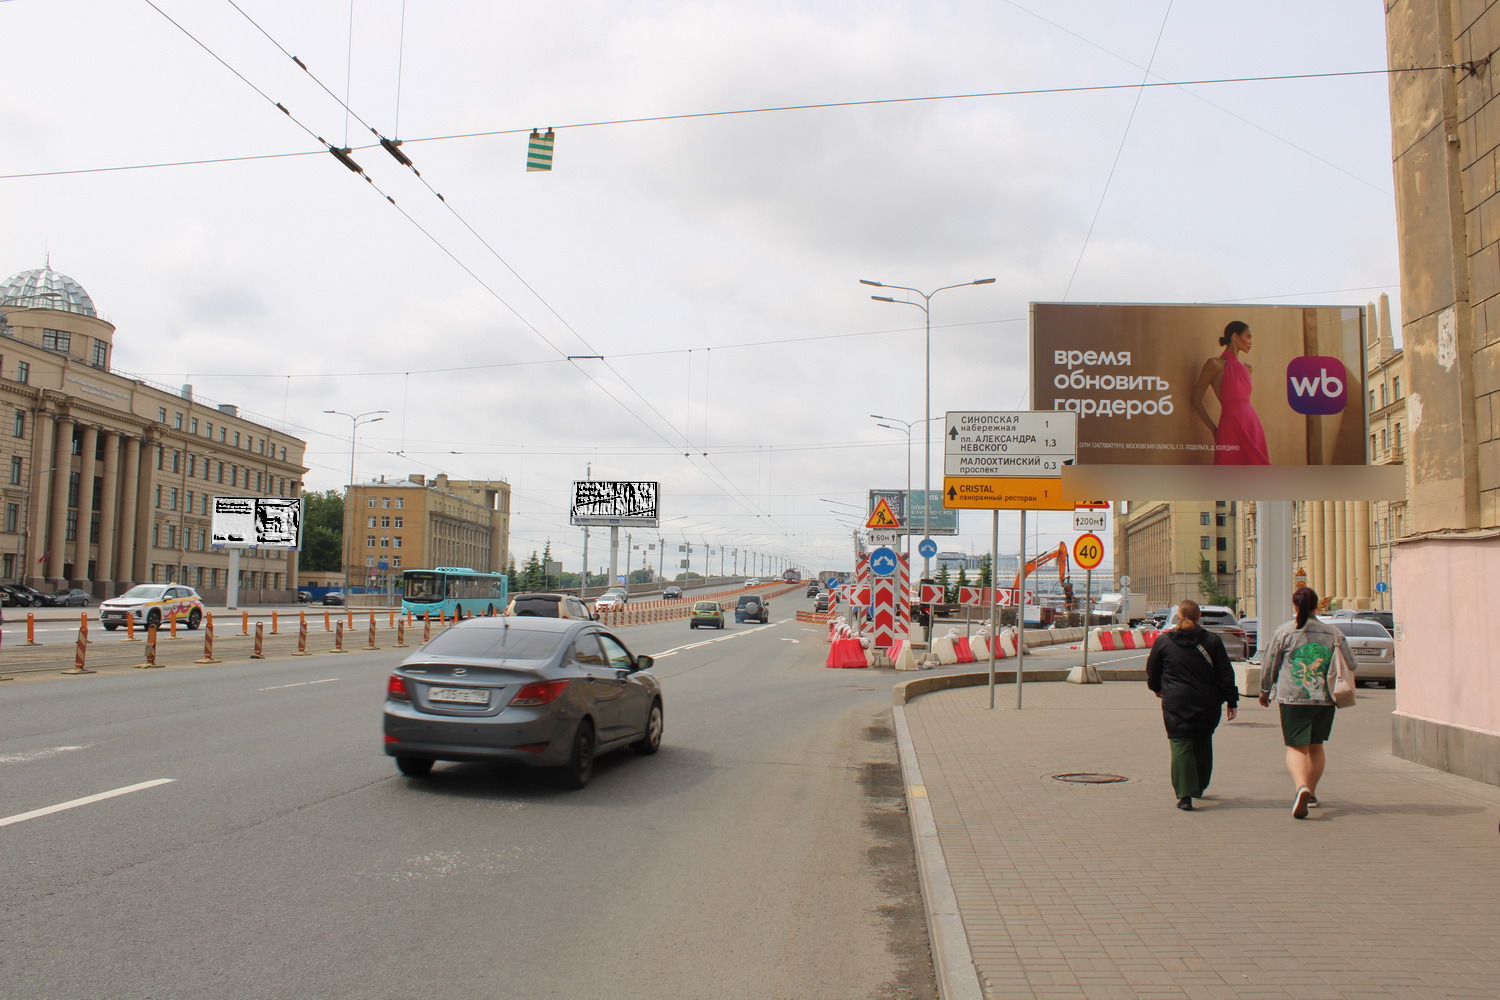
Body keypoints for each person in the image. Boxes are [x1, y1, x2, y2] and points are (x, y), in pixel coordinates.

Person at [1258, 585, 1354, 818]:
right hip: (1324, 698)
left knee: (1295, 746)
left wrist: (1264, 690)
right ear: (1317, 605)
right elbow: (1351, 663)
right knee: (1316, 746)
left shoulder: (1285, 631)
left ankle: (1301, 786)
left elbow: (1269, 663)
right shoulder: (1333, 633)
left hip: (1292, 698)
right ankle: (1311, 793)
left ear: (1295, 605)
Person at [1145, 599, 1239, 811]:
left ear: (1178, 616)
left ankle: (1184, 794)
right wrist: (1231, 700)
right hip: (1208, 701)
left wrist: (1157, 688)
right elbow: (1225, 673)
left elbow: (1152, 670)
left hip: (1176, 701)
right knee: (1202, 740)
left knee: (1180, 743)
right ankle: (1199, 787)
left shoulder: (1164, 642)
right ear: (1199, 617)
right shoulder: (1212, 641)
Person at [1191, 320, 1271, 465]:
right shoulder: (1214, 364)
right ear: (1235, 337)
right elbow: (1196, 399)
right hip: (1229, 426)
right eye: (1248, 336)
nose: (1251, 342)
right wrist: (1214, 430)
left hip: (1252, 424)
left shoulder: (1248, 368)